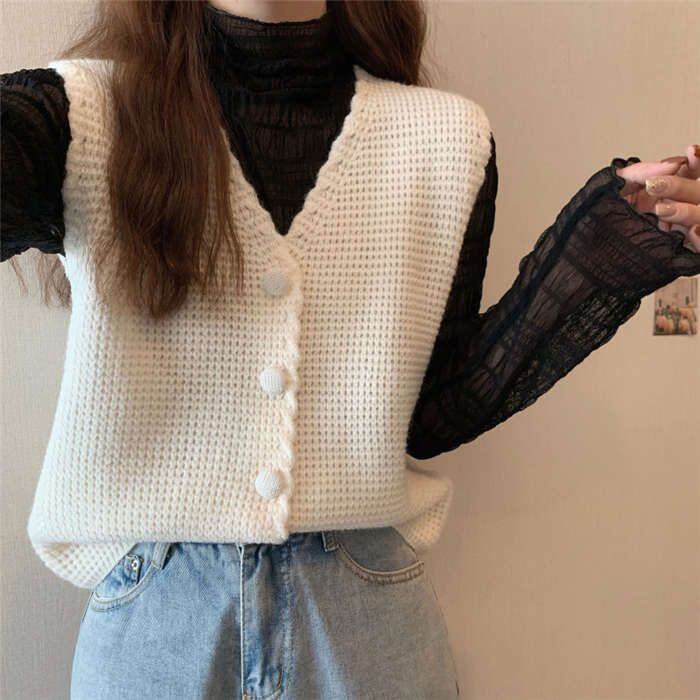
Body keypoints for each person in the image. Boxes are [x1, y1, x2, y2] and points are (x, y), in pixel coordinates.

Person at [1, 1, 699, 697]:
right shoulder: (82, 115)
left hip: (368, 621)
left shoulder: (445, 139)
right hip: (156, 623)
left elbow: (433, 411)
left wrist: (599, 250)